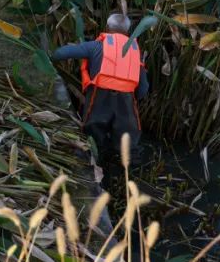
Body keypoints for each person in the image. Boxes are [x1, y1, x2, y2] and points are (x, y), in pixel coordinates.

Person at [52, 13, 149, 161]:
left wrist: (48, 55)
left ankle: (93, 169)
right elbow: (143, 88)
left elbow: (60, 54)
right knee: (129, 149)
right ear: (128, 32)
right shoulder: (135, 52)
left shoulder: (96, 46)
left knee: (92, 142)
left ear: (107, 28)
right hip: (126, 104)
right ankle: (129, 175)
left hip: (100, 100)